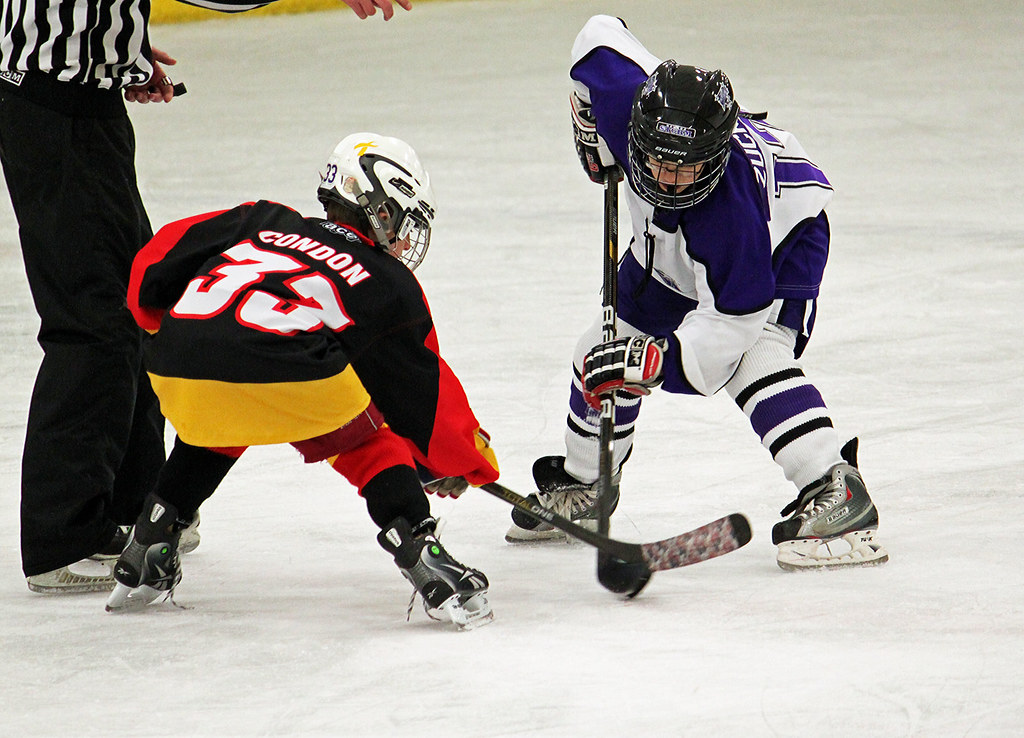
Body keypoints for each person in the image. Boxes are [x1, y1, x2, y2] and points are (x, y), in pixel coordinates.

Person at [0, 0, 412, 594]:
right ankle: (62, 537)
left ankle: (134, 509)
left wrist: (118, 55)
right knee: (93, 323)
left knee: (137, 304)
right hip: (50, 107)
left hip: (80, 101)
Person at [506, 15, 888, 571]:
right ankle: (587, 488)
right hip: (665, 243)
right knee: (599, 355)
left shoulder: (730, 217)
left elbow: (731, 326)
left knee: (753, 360)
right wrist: (587, 118)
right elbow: (598, 34)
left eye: (686, 169)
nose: (667, 179)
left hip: (783, 237)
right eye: (656, 161)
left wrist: (659, 363)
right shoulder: (623, 104)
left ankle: (836, 487)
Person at [103, 133, 499, 629]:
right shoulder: (384, 280)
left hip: (175, 366)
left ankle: (152, 537)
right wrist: (466, 460)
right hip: (283, 374)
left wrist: (170, 327)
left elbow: (158, 258)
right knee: (366, 433)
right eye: (399, 221)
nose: (401, 241)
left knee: (227, 417)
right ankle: (423, 553)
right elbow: (423, 392)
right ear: (375, 206)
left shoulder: (261, 219)